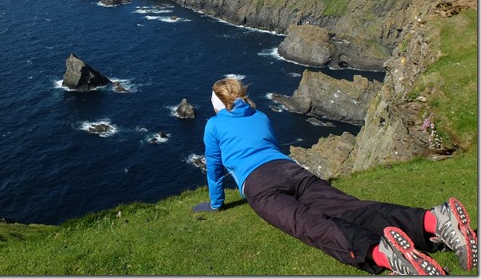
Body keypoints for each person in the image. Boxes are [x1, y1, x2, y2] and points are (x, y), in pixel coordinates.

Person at [192, 77, 477, 275]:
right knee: (353, 208)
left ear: (218, 104)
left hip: (260, 184)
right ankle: (434, 220)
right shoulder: (260, 116)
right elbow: (271, 147)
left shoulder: (214, 125)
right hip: (291, 170)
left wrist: (217, 205)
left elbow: (215, 169)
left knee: (307, 223)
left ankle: (384, 254)